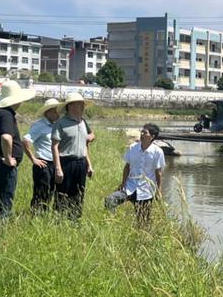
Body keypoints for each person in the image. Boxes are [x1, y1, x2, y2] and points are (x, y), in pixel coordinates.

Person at [0, 80, 36, 240]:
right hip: (3, 167)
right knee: (3, 207)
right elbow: (6, 137)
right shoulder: (6, 115)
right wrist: (6, 157)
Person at [104, 123, 165, 221]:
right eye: (141, 132)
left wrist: (158, 191)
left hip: (146, 191)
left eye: (145, 133)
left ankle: (143, 234)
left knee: (142, 220)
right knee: (110, 200)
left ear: (152, 136)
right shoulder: (133, 148)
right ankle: (112, 221)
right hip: (129, 187)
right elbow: (127, 167)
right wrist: (123, 183)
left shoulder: (158, 152)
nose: (141, 134)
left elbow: (158, 172)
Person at [51, 92, 95, 220]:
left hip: (80, 163)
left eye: (83, 104)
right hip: (66, 163)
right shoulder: (60, 123)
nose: (82, 107)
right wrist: (58, 168)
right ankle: (59, 220)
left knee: (78, 194)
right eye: (80, 104)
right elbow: (54, 146)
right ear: (70, 106)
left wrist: (89, 165)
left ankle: (75, 220)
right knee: (62, 194)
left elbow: (84, 146)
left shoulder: (82, 122)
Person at [23, 98, 60, 212]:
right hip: (44, 163)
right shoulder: (39, 125)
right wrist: (33, 159)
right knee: (41, 192)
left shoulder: (56, 125)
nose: (57, 113)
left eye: (57, 111)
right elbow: (26, 140)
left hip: (55, 163)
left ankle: (45, 214)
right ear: (47, 112)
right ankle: (37, 215)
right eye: (54, 111)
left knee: (53, 191)